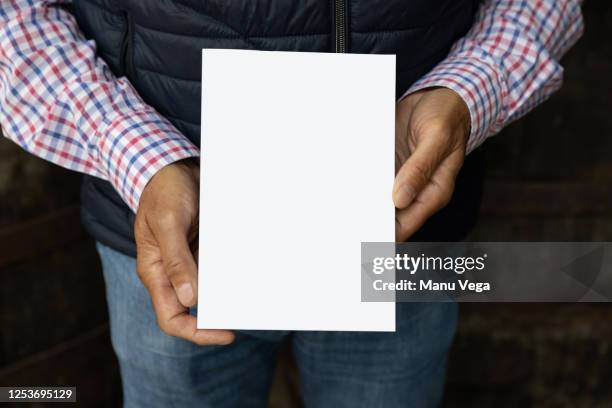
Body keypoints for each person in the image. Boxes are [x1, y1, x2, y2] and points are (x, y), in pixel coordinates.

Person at [0, 0, 583, 406]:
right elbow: (16, 15)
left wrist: (466, 89)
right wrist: (140, 156)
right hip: (175, 233)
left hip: (400, 233)